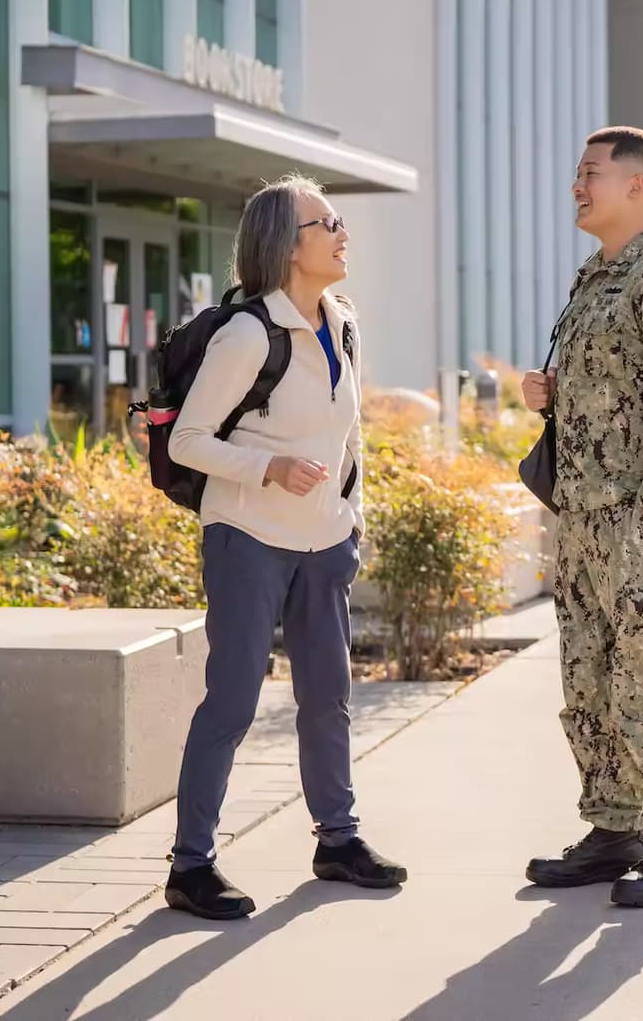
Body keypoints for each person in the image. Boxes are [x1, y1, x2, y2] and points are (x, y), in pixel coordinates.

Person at [164, 175, 405, 921]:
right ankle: (191, 865)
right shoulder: (247, 335)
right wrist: (266, 466)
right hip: (247, 539)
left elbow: (348, 437)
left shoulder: (344, 323)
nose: (342, 232)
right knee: (233, 701)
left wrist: (349, 521)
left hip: (323, 543)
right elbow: (189, 439)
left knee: (327, 699)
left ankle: (338, 840)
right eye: (326, 222)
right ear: (287, 245)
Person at [520, 126, 643, 908]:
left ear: (637, 186)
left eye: (591, 174)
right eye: (577, 173)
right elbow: (612, 391)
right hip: (581, 519)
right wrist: (551, 393)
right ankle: (614, 828)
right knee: (589, 676)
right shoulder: (595, 280)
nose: (578, 185)